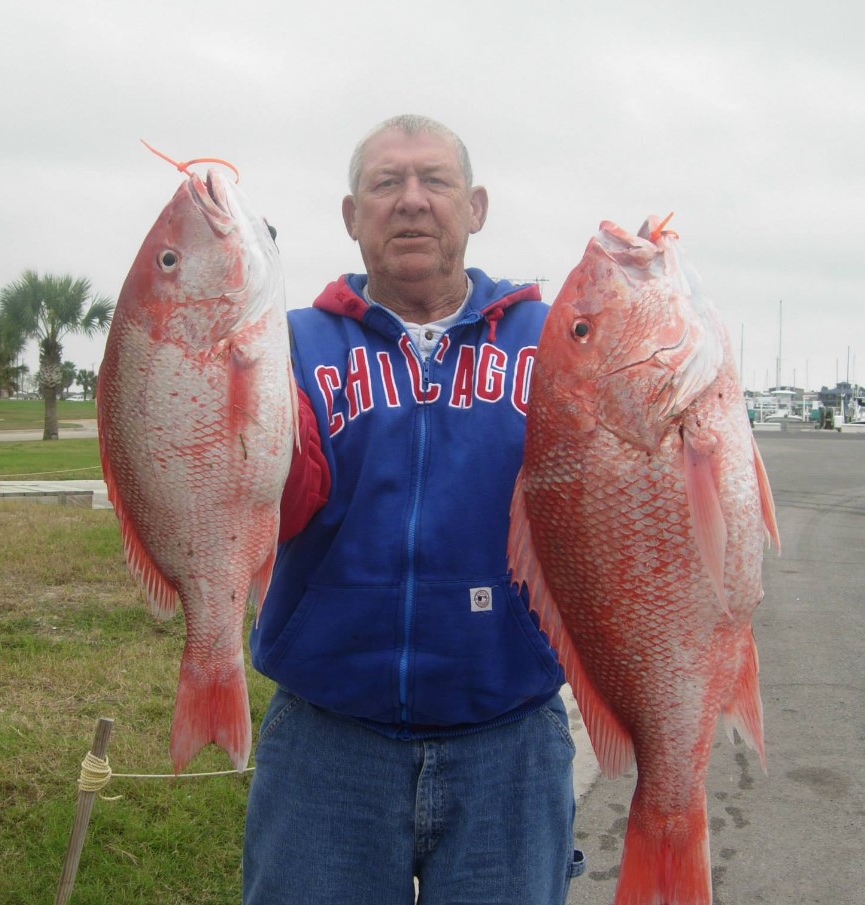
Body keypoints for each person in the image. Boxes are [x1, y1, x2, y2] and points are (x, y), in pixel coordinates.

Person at [243, 114, 584, 905]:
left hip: (510, 737)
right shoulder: (285, 345)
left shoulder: (557, 343)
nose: (410, 201)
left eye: (434, 180)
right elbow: (254, 495)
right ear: (351, 215)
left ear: (476, 206)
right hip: (328, 740)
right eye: (384, 183)